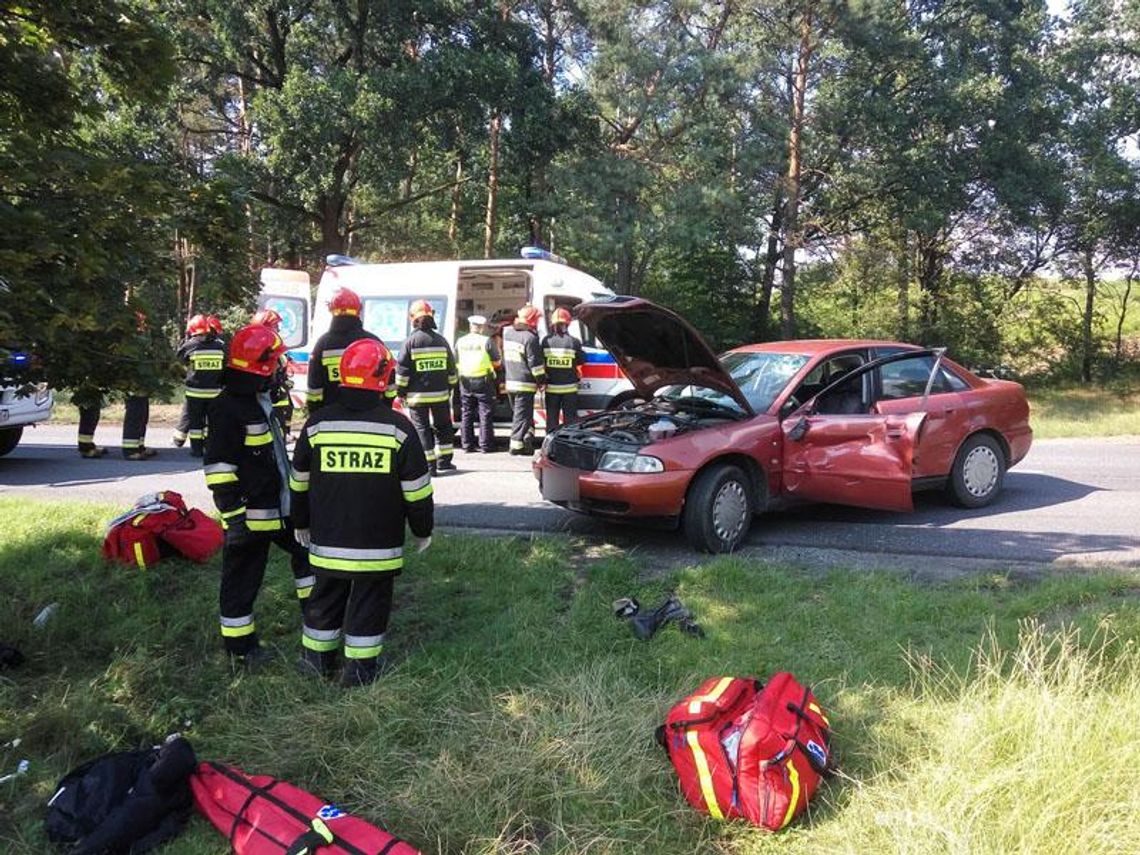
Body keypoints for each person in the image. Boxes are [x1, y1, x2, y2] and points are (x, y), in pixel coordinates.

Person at [290, 338, 434, 687]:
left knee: (323, 599)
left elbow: (298, 483)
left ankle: (316, 664)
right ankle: (360, 672)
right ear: (384, 379)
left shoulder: (318, 424)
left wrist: (301, 523)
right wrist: (422, 529)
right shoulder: (399, 429)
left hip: (326, 541)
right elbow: (416, 491)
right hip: (377, 545)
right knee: (370, 604)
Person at [204, 324, 314, 667]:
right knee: (241, 581)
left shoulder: (259, 400)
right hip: (250, 517)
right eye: (276, 362)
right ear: (261, 367)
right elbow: (219, 469)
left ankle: (319, 625)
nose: (281, 368)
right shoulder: (227, 408)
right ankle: (240, 650)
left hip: (278, 510)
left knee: (309, 557)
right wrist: (234, 516)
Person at [395, 300, 458, 473]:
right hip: (440, 395)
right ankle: (444, 461)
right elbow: (452, 370)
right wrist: (450, 387)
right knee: (443, 427)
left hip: (417, 397)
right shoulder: (441, 341)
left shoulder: (410, 342)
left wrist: (400, 392)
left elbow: (402, 372)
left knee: (421, 429)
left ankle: (429, 465)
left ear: (412, 319)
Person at [307, 288, 388, 412]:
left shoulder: (322, 344)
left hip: (331, 418)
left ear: (331, 310)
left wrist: (317, 415)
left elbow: (314, 388)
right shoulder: (373, 342)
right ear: (358, 310)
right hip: (370, 415)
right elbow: (388, 382)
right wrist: (385, 410)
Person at [173, 314, 226, 457]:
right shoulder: (220, 346)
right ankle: (209, 448)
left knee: (196, 423)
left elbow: (177, 364)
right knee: (212, 422)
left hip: (195, 393)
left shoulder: (189, 345)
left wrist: (185, 376)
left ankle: (196, 450)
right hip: (215, 393)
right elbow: (226, 367)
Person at [502, 304, 545, 455]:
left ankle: (527, 438)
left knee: (519, 414)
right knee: (522, 416)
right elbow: (535, 366)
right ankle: (516, 445)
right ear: (532, 320)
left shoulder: (508, 334)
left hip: (510, 381)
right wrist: (542, 381)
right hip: (524, 384)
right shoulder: (530, 338)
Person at [455, 315, 501, 453]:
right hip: (483, 381)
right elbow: (497, 361)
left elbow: (455, 361)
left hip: (465, 381)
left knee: (467, 413)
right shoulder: (486, 341)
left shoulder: (460, 341)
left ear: (470, 327)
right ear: (481, 327)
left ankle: (467, 445)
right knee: (485, 413)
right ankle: (486, 445)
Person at [251, 308, 295, 438]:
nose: (278, 329)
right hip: (270, 397)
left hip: (273, 397)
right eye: (276, 325)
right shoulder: (264, 346)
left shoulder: (258, 343)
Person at [540, 307, 585, 432]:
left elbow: (540, 360)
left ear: (553, 324)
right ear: (568, 323)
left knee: (552, 418)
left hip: (552, 389)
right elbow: (582, 359)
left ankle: (550, 442)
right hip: (569, 388)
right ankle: (567, 443)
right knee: (570, 419)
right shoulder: (573, 342)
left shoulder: (546, 341)